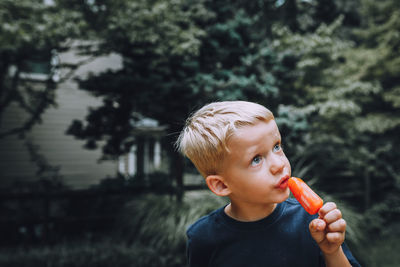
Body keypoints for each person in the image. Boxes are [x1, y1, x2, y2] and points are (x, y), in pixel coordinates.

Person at [176, 101, 361, 267]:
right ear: (221, 185)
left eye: (277, 146)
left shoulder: (311, 221)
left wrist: (332, 251)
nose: (279, 164)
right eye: (256, 159)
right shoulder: (204, 238)